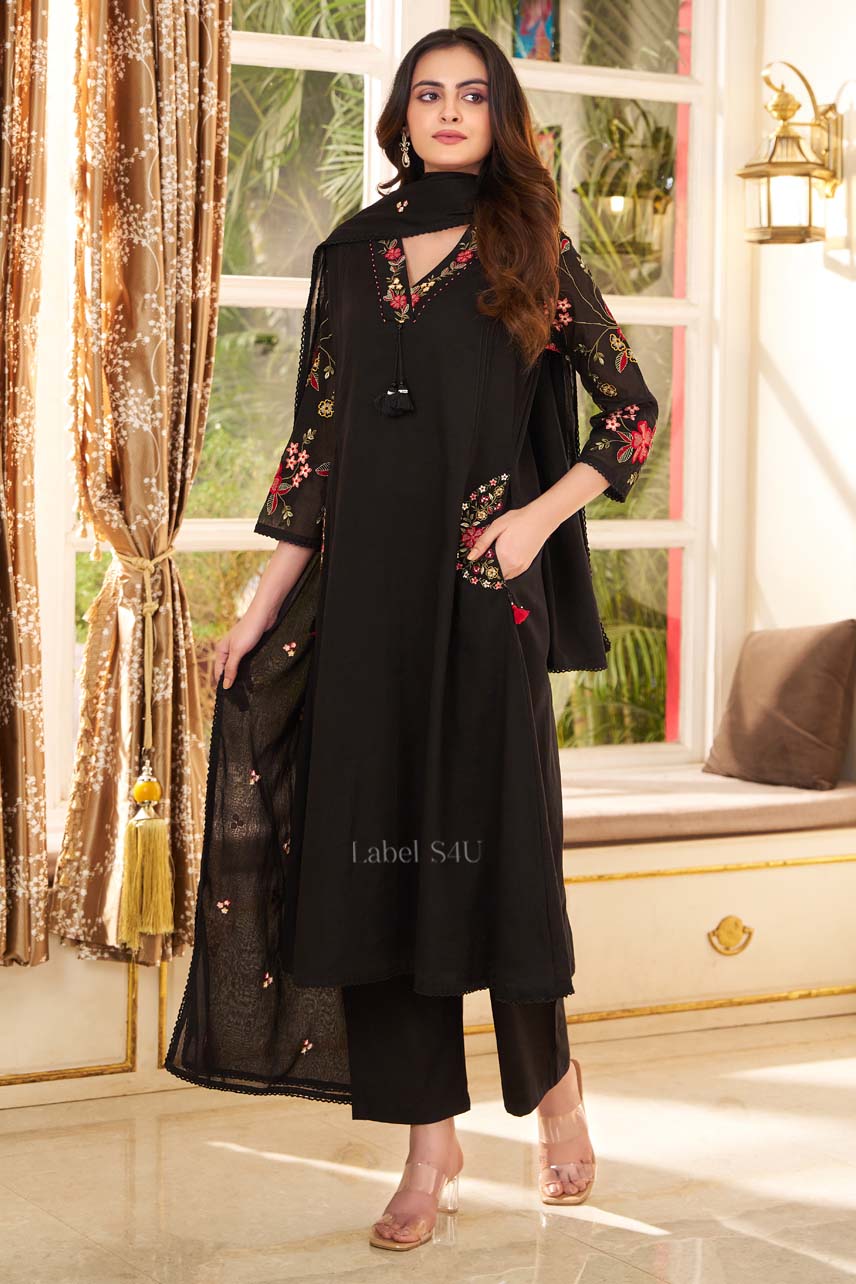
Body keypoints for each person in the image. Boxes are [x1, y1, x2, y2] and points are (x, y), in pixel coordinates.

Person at [164, 25, 659, 1253]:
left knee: (501, 863)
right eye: (428, 93)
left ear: (499, 117)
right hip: (364, 613)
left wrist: (535, 522)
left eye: (470, 94)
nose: (447, 110)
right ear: (401, 117)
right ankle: (427, 1149)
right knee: (375, 870)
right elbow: (316, 448)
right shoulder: (351, 253)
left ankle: (552, 1089)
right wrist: (260, 607)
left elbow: (631, 417)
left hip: (483, 600)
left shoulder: (528, 248)